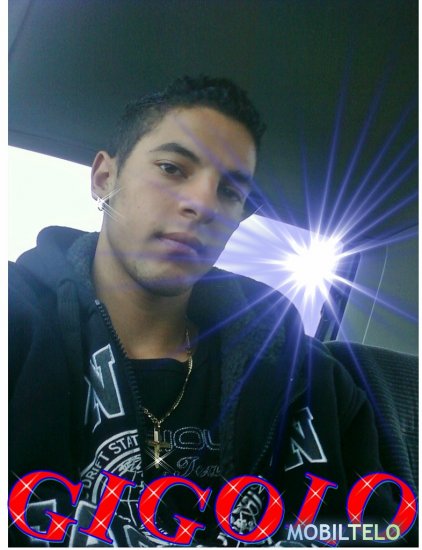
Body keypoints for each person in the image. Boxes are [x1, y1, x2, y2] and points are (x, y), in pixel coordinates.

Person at [8, 76, 411, 547]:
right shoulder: (16, 325)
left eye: (229, 193)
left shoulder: (311, 380)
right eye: (171, 168)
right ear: (104, 179)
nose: (202, 205)